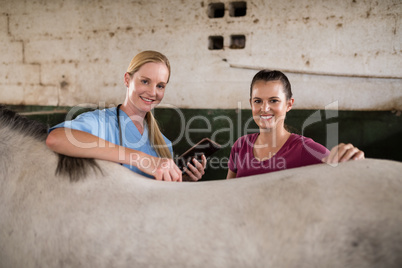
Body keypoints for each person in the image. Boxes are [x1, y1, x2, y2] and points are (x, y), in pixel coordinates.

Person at [46, 50, 206, 182]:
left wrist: (184, 180)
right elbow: (55, 138)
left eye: (160, 86)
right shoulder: (102, 122)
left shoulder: (164, 144)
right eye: (145, 81)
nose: (152, 92)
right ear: (127, 80)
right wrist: (139, 158)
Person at [227, 70, 364, 179]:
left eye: (273, 100)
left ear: (289, 104)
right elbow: (227, 194)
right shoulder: (240, 146)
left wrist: (352, 162)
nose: (265, 108)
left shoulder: (305, 149)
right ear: (251, 103)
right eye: (258, 101)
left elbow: (342, 176)